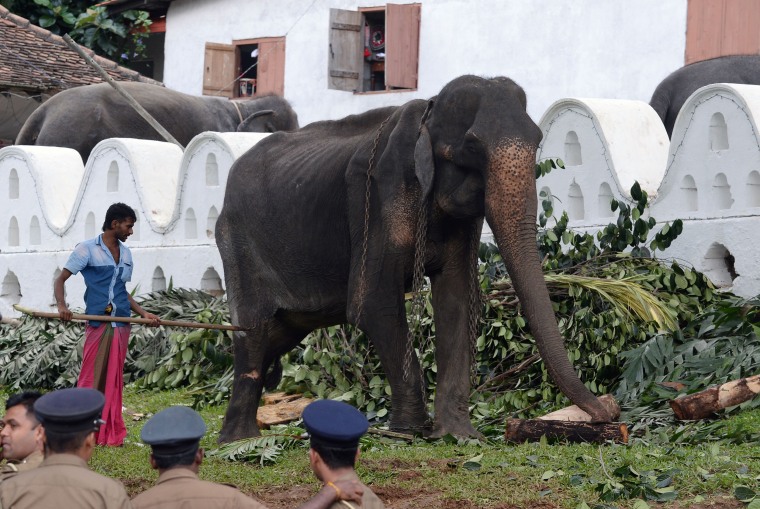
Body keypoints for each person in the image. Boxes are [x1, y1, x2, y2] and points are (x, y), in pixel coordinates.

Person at [54, 202, 160, 446]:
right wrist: (62, 306)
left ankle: (108, 431)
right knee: (91, 377)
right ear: (115, 224)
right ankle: (81, 431)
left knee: (113, 378)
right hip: (98, 321)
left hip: (122, 322)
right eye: (128, 226)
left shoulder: (126, 254)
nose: (130, 231)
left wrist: (144, 313)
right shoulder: (87, 249)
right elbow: (61, 279)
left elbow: (123, 291)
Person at [131, 405, 365, 509]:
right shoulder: (229, 500)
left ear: (152, 461)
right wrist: (330, 491)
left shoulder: (130, 505)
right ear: (200, 456)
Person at [0, 387, 132, 508]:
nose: (3, 432)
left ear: (41, 435)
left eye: (13, 425)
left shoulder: (9, 488)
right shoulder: (111, 492)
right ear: (90, 440)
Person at [302, 399, 386, 509]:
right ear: (357, 455)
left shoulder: (329, 504)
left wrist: (332, 490)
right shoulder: (374, 501)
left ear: (314, 457)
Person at [0, 391, 44, 482]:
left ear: (40, 432)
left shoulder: (13, 478)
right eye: (3, 425)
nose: (3, 433)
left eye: (13, 425)